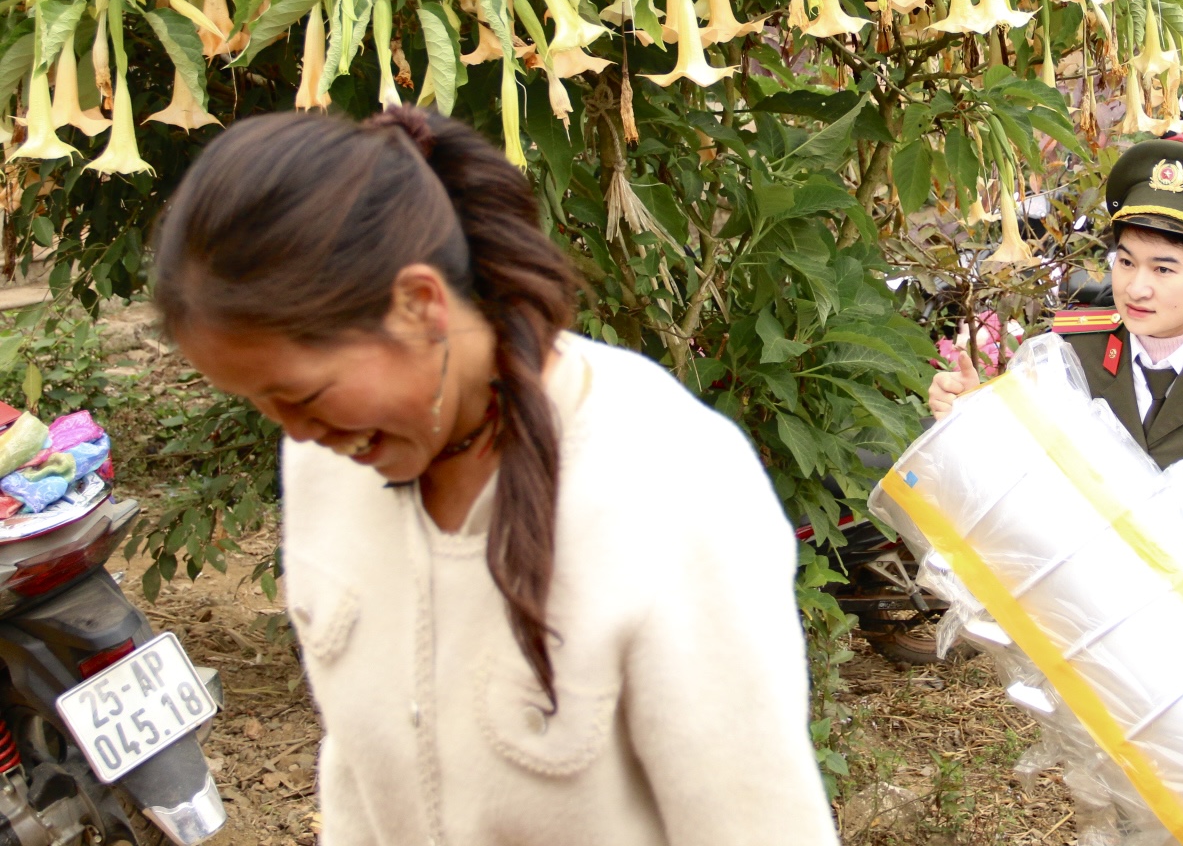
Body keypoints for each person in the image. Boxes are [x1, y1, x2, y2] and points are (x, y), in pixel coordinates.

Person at [153, 109, 837, 846]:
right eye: (260, 403)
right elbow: (354, 773)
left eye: (306, 395)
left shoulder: (667, 483)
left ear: (420, 305)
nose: (295, 432)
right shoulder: (328, 461)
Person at [929, 140, 1183, 616]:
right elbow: (1025, 453)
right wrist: (971, 414)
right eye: (1125, 262)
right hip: (1094, 604)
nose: (1136, 288)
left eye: (1163, 268)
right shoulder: (1071, 350)